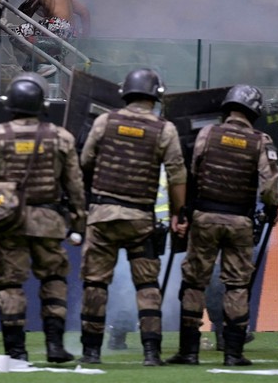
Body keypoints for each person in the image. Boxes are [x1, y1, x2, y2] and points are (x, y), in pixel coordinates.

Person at [0, 72, 87, 363]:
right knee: (55, 279)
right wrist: (78, 222)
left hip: (8, 223)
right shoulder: (61, 138)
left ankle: (15, 351)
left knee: (10, 284)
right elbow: (75, 186)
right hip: (49, 221)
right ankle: (55, 346)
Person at [78, 68, 187, 366]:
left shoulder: (103, 122)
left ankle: (91, 352)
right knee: (147, 286)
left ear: (125, 93)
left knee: (96, 284)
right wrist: (180, 213)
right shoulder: (165, 129)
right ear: (156, 96)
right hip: (140, 220)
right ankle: (151, 353)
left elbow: (85, 161)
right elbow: (177, 174)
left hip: (102, 216)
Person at [167, 85, 278, 367]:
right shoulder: (260, 140)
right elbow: (269, 185)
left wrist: (186, 212)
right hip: (240, 221)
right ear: (254, 111)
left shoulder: (207, 133)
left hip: (205, 217)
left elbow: (192, 171)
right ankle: (233, 353)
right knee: (237, 286)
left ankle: (189, 351)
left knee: (194, 282)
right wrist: (272, 209)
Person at [7, 0, 90, 78]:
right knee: (29, 66)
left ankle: (44, 62)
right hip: (69, 35)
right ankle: (44, 67)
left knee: (16, 34)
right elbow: (84, 13)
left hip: (56, 28)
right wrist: (85, 40)